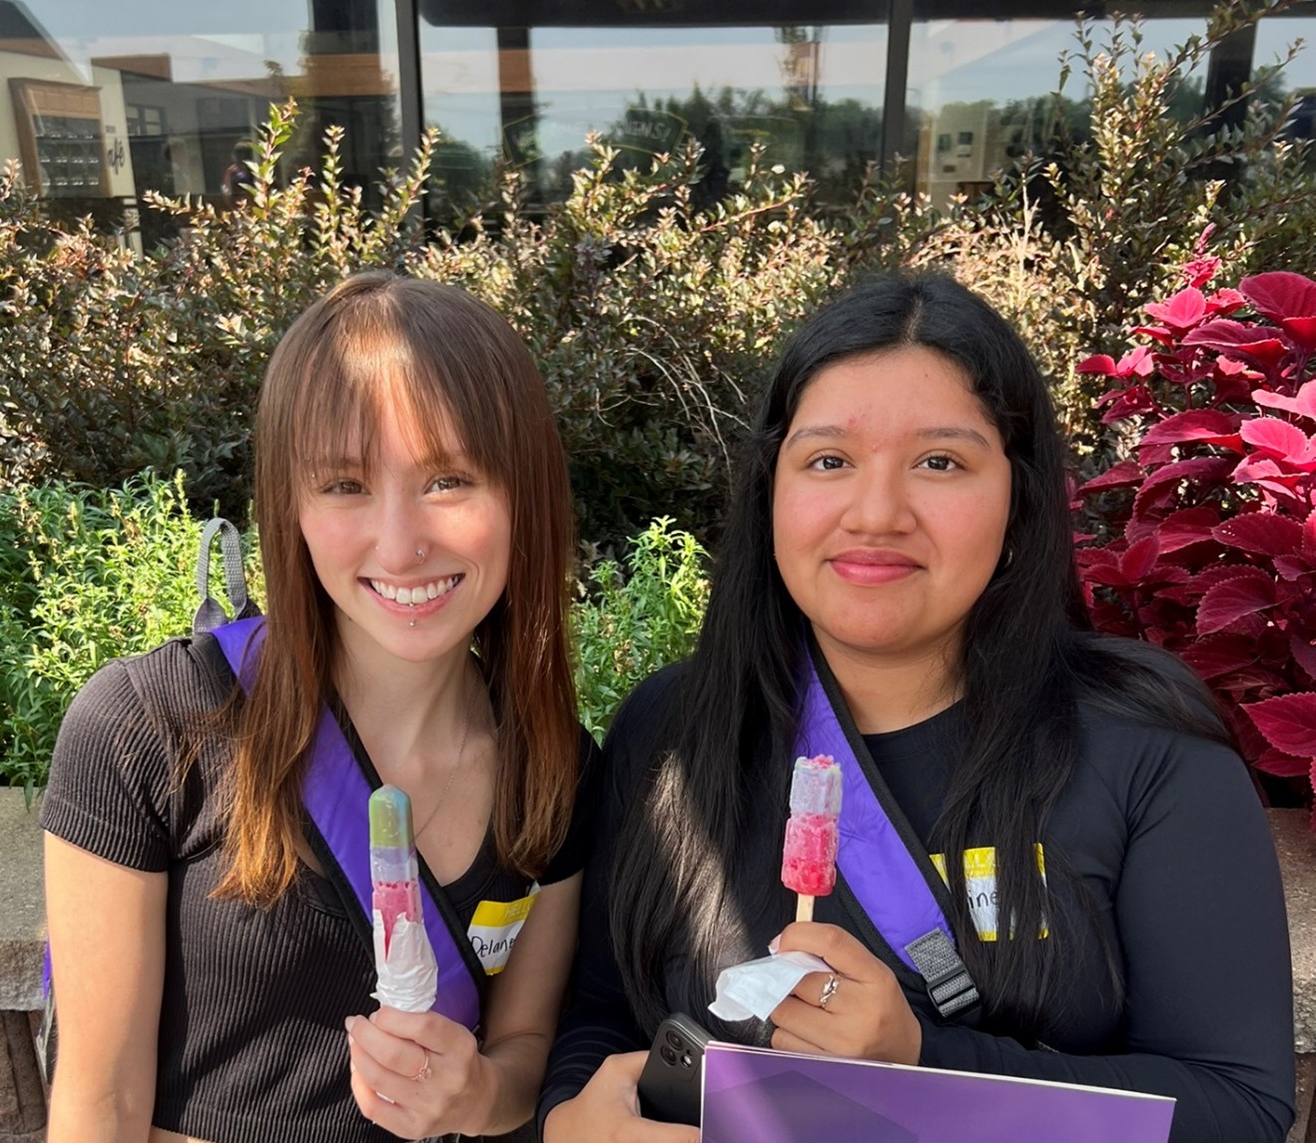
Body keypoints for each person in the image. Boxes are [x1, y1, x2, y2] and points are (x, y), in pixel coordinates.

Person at [540, 272, 1294, 1143]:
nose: (876, 512)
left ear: (1017, 501)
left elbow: (1239, 1108)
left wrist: (923, 1065)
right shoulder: (671, 728)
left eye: (940, 462)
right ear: (769, 492)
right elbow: (598, 1011)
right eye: (829, 460)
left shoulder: (1148, 750)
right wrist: (571, 1119)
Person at [40, 271, 592, 1143]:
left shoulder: (556, 763)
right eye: (344, 485)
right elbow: (98, 1106)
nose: (401, 543)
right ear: (289, 504)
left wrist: (478, 1094)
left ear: (523, 493)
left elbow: (526, 1046)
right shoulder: (145, 727)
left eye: (449, 479)